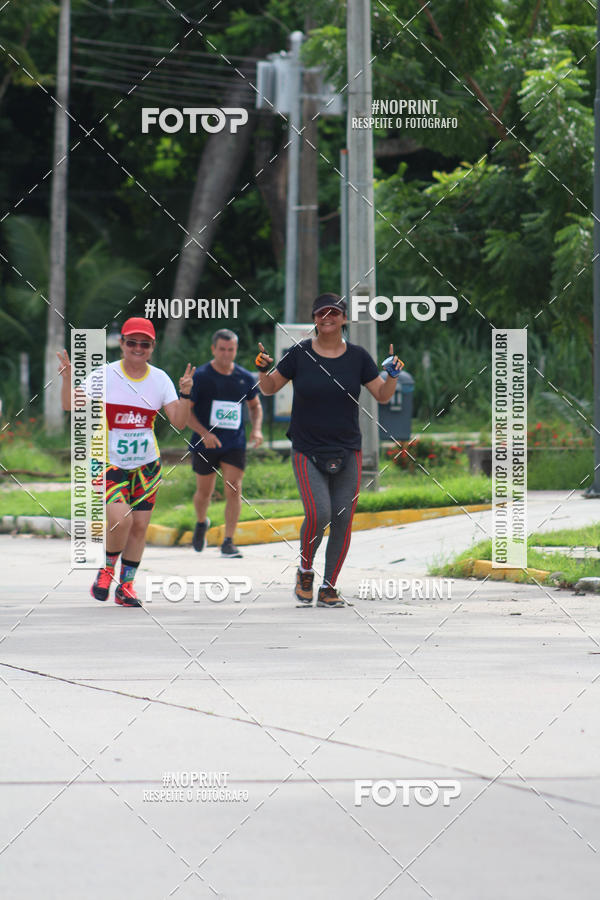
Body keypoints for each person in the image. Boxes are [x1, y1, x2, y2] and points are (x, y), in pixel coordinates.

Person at [256, 293, 402, 608]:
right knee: (319, 512)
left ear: (344, 318)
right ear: (314, 319)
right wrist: (262, 369)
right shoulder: (299, 354)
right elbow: (269, 388)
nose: (328, 318)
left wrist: (392, 375)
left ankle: (329, 587)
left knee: (343, 516)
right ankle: (305, 570)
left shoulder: (359, 357)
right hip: (307, 447)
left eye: (334, 313)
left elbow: (382, 395)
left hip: (348, 447)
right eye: (322, 313)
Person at [57, 317, 195, 607]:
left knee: (140, 526)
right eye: (131, 342)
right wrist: (68, 378)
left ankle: (126, 586)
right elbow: (70, 405)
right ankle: (106, 570)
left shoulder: (160, 380)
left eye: (144, 344)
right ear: (121, 344)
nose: (137, 348)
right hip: (107, 462)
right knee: (121, 519)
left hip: (146, 465)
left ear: (152, 347)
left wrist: (185, 393)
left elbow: (180, 423)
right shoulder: (104, 375)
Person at [188, 328, 263, 558]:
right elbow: (186, 412)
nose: (226, 354)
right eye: (222, 349)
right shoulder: (200, 376)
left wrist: (257, 430)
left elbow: (255, 406)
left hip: (234, 442)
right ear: (213, 349)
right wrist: (204, 433)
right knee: (204, 492)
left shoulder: (244, 377)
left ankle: (228, 541)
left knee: (234, 487)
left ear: (236, 350)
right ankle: (202, 522)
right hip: (205, 443)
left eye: (231, 349)